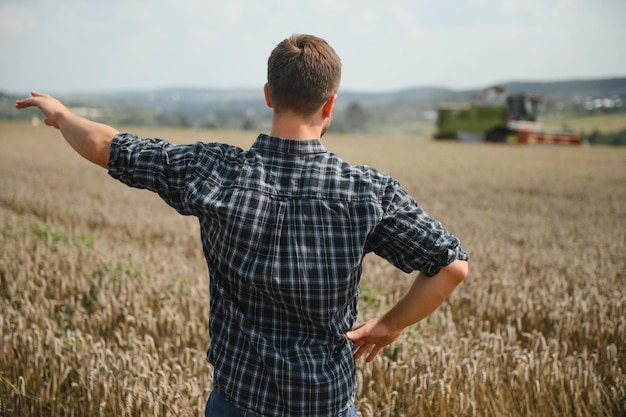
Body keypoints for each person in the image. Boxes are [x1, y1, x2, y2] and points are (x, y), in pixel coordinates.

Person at [16, 34, 468, 417]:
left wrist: (61, 114)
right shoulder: (369, 191)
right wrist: (389, 324)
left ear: (268, 94)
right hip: (326, 403)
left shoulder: (214, 171)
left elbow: (107, 146)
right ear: (330, 104)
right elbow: (450, 267)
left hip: (238, 399)